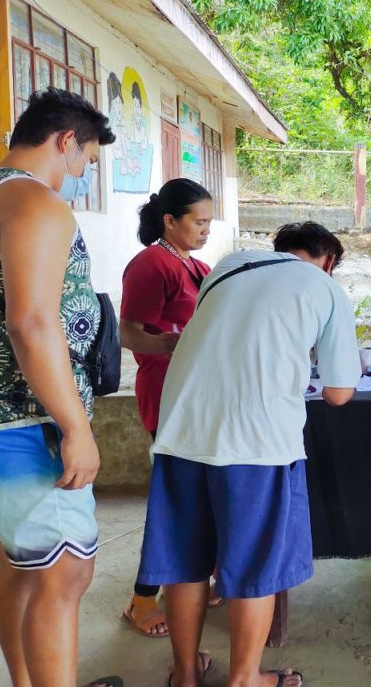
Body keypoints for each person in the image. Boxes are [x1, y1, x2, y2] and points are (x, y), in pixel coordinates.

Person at [137, 221, 360, 687]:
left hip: (182, 429)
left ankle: (185, 675)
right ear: (329, 263)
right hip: (256, 442)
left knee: (185, 562)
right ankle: (245, 678)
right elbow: (338, 394)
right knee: (256, 564)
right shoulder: (325, 287)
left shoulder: (227, 267)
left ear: (277, 250)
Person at [0, 88, 122, 687]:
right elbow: (31, 323)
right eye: (87, 161)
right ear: (66, 141)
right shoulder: (34, 202)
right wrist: (75, 428)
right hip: (29, 420)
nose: (81, 175)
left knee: (24, 565)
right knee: (65, 572)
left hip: (0, 413)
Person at [120, 178, 214, 637]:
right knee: (174, 499)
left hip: (197, 391)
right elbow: (128, 332)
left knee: (199, 496)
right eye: (198, 222)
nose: (206, 230)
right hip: (167, 391)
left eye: (209, 223)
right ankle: (142, 599)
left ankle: (196, 578)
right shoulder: (151, 264)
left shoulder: (196, 265)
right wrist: (170, 344)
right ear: (170, 221)